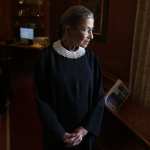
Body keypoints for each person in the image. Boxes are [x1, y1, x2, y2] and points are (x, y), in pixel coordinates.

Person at [33, 5, 104, 150]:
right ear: (68, 29)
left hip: (83, 137)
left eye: (92, 30)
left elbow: (99, 97)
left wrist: (85, 129)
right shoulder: (46, 59)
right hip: (56, 137)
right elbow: (42, 100)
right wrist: (61, 133)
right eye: (86, 29)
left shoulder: (91, 59)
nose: (91, 36)